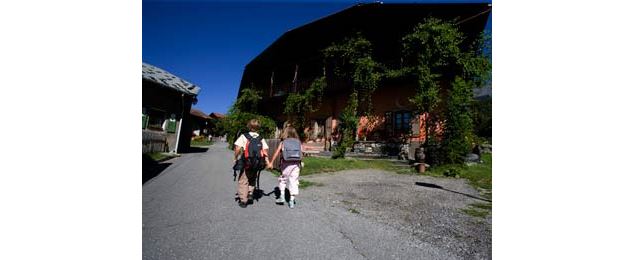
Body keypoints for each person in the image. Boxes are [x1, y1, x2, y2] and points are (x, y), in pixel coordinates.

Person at [234, 119, 271, 208]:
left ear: (249, 126)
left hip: (246, 162)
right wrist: (268, 162)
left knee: (243, 180)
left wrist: (235, 158)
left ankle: (243, 200)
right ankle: (250, 193)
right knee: (252, 178)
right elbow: (265, 151)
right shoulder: (261, 138)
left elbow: (237, 149)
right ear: (258, 127)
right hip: (257, 163)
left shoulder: (244, 136)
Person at [267, 126, 303, 209]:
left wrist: (271, 162)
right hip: (296, 165)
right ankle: (291, 201)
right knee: (293, 181)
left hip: (285, 164)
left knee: (283, 180)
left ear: (285, 133)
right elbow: (302, 153)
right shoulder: (298, 142)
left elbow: (277, 153)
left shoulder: (283, 142)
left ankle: (282, 197)